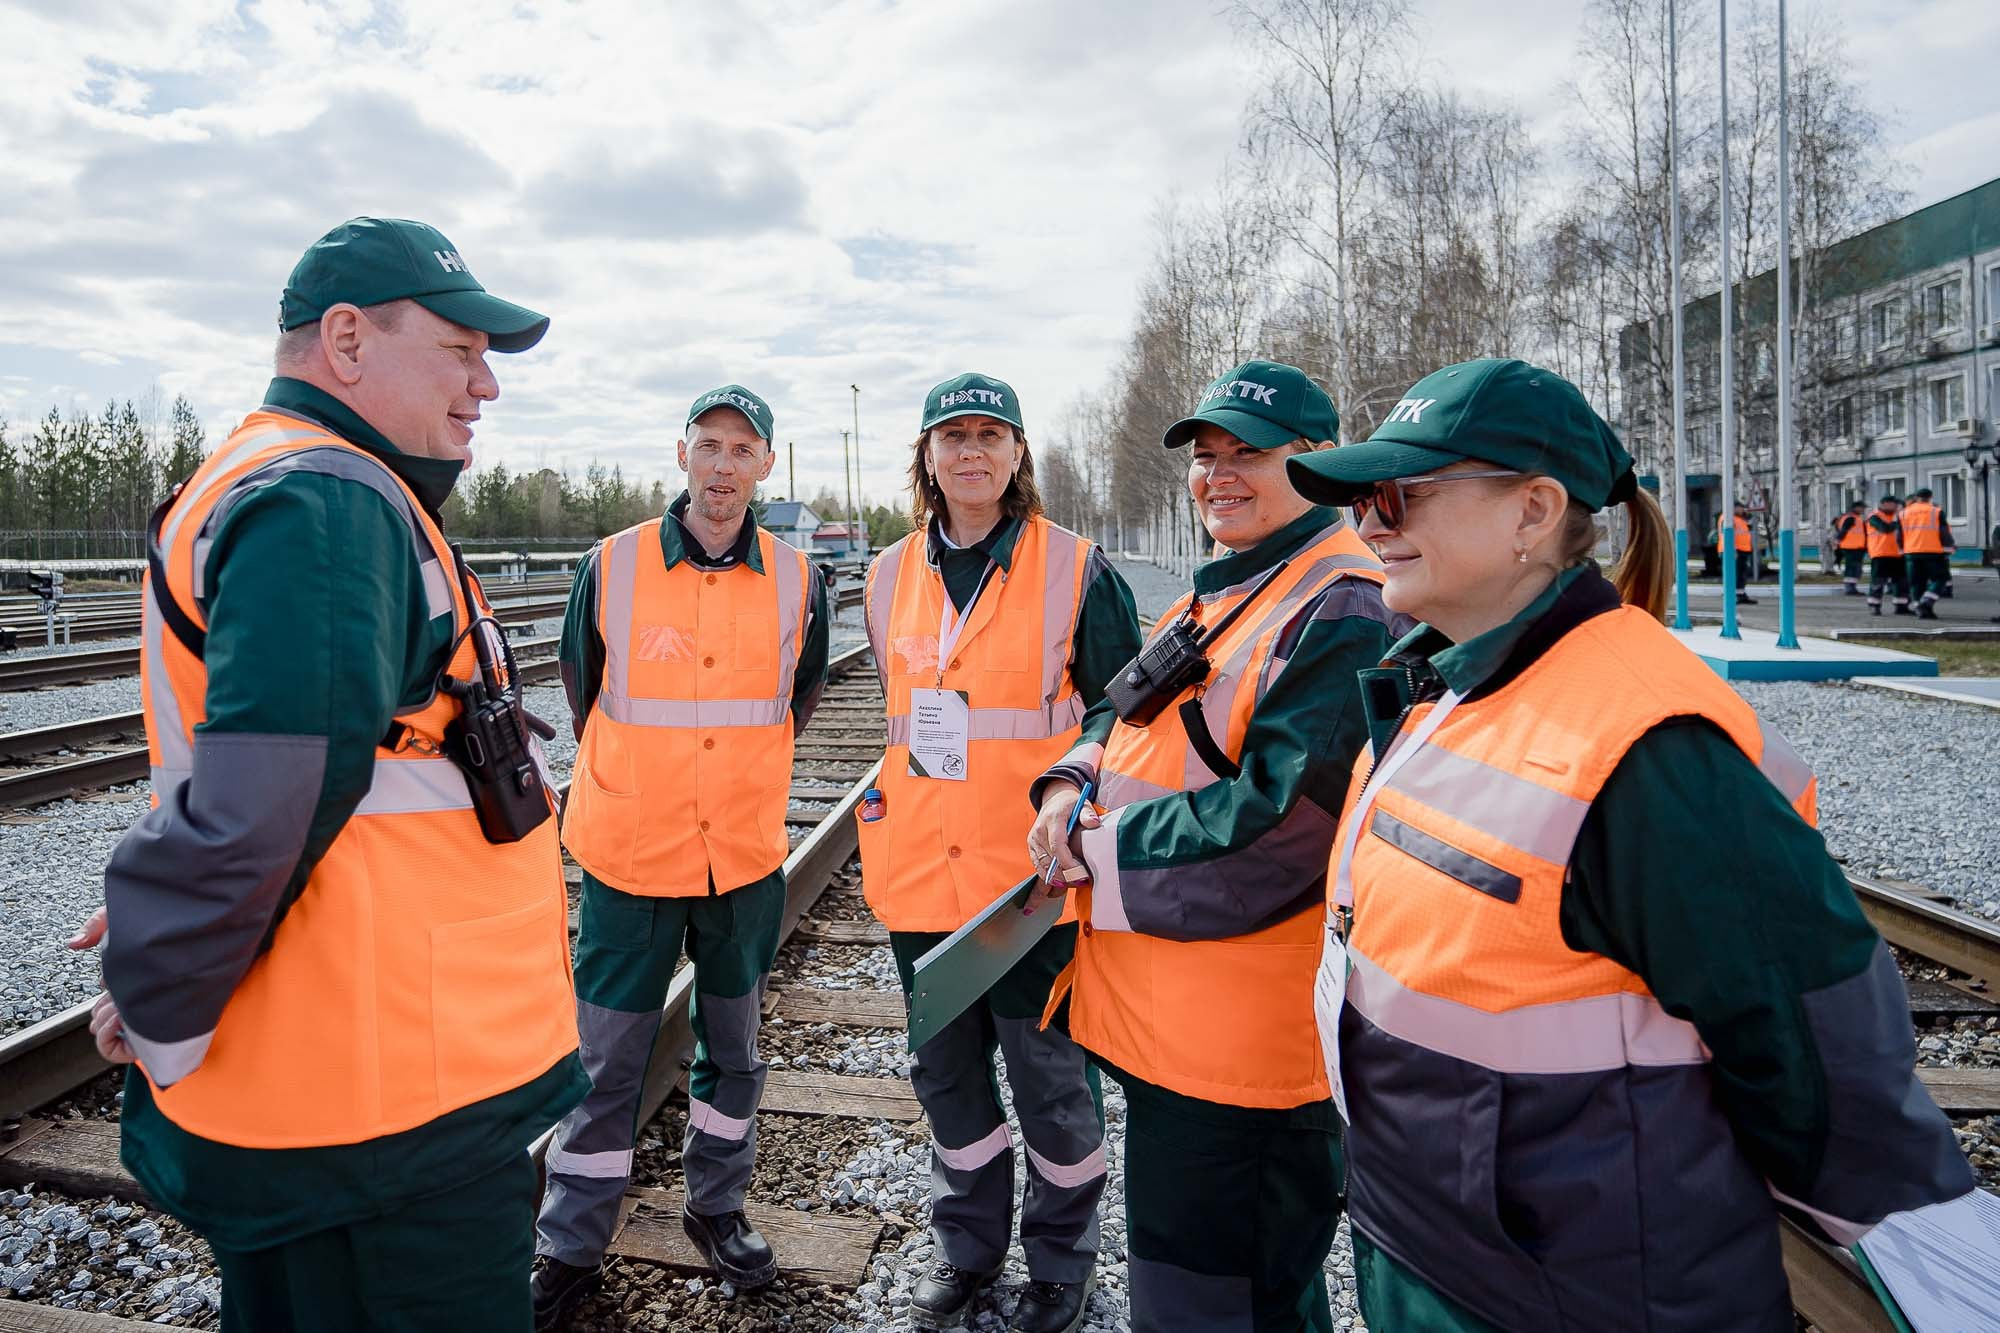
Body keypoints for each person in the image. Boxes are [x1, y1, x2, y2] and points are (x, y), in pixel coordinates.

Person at [1286, 357, 1974, 1333]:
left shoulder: (1645, 750)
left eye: (1399, 494)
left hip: (1584, 1293)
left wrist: (1937, 1271)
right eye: (1360, 498)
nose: (1367, 525)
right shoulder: (1445, 683)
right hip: (1446, 1256)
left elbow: (1821, 1058)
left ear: (1531, 511)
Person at [68, 216, 586, 1332]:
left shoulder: (326, 490)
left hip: (375, 1078)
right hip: (384, 1108)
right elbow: (269, 808)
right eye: (459, 349)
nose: (485, 384)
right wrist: (155, 995)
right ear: (346, 339)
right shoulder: (328, 502)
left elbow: (268, 782)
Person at [1026, 360, 1408, 1333]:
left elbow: (1282, 837)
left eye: (1248, 453)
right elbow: (1118, 714)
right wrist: (1069, 780)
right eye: (1205, 456)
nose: (1217, 475)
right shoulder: (1226, 593)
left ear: (1318, 462)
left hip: (1248, 1066)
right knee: (1202, 1300)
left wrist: (1094, 856)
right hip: (1181, 1038)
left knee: (1225, 1309)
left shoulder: (1342, 608)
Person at [529, 384, 829, 1328]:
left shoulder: (797, 579)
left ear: (767, 467)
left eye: (745, 449)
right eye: (710, 446)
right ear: (682, 454)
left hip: (739, 858)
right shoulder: (610, 566)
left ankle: (717, 1207)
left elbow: (800, 698)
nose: (725, 465)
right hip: (629, 855)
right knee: (605, 1058)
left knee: (732, 1051)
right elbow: (584, 691)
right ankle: (570, 1245)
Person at [860, 373, 1141, 1333]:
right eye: (953, 436)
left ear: (1019, 455)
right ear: (928, 458)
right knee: (946, 1080)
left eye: (992, 434)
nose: (971, 451)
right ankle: (969, 1251)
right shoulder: (888, 573)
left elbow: (1121, 709)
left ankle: (1063, 1262)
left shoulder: (1078, 569)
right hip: (918, 880)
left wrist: (1073, 781)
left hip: (1032, 884)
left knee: (1053, 1084)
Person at [1901, 487, 1954, 619]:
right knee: (1941, 578)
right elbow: (1944, 533)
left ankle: (1921, 609)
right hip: (1932, 552)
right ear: (1930, 497)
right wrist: (1949, 547)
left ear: (1916, 498)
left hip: (1911, 552)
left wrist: (1902, 550)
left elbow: (1898, 535)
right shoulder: (1936, 511)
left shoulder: (1904, 513)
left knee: (1916, 582)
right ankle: (1926, 601)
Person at [1866, 494, 1910, 616]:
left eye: (1896, 505)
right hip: (1881, 554)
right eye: (1893, 504)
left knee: (1901, 582)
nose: (1896, 507)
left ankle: (1901, 606)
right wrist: (1897, 520)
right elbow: (1885, 529)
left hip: (1898, 554)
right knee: (1878, 582)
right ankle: (1874, 606)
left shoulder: (1899, 517)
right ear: (1884, 504)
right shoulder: (1874, 516)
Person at [1718, 500, 1756, 604]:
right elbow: (1726, 536)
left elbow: (1747, 529)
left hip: (1743, 550)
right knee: (1733, 574)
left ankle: (1740, 594)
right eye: (1739, 507)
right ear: (1733, 508)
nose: (1742, 509)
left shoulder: (1740, 519)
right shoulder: (1727, 518)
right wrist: (1732, 550)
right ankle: (1731, 596)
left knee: (1741, 574)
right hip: (1732, 551)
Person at [1831, 499, 1867, 596]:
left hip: (1856, 547)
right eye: (1862, 508)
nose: (1863, 510)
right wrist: (1837, 541)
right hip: (1851, 547)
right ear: (1856, 508)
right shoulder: (1850, 518)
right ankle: (1850, 588)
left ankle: (1852, 587)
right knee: (1852, 567)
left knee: (1855, 567)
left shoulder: (1855, 518)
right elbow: (1844, 530)